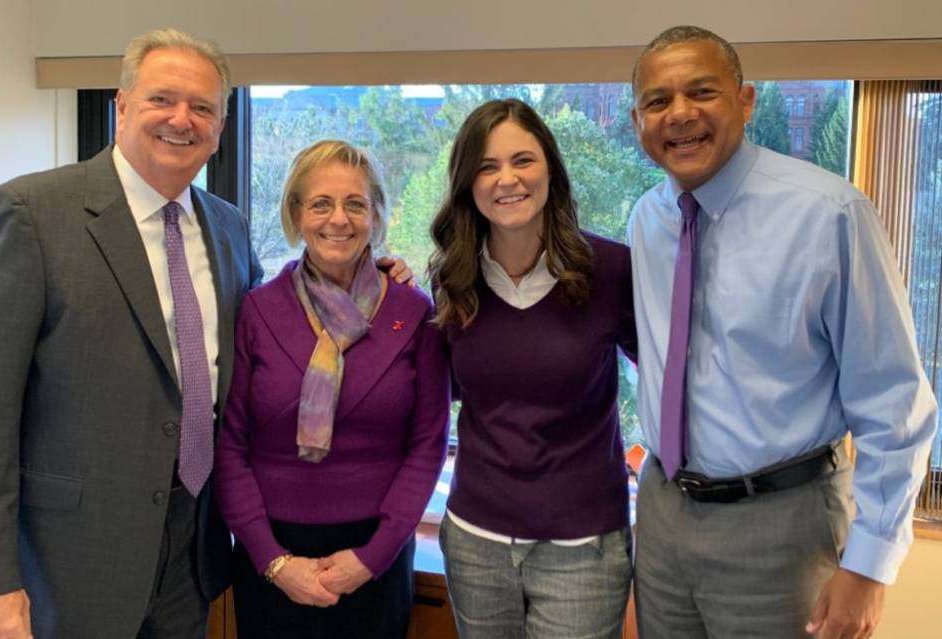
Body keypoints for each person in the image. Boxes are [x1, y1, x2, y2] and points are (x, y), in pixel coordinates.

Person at [0, 29, 411, 639]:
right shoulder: (31, 215)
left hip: (193, 560)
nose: (181, 120)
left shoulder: (228, 228)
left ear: (220, 126)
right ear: (122, 106)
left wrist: (363, 279)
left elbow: (283, 326)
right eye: (163, 99)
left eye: (203, 108)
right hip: (65, 570)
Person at [627, 25, 938, 639]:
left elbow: (895, 403)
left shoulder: (828, 214)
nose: (680, 115)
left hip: (781, 524)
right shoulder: (649, 218)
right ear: (638, 119)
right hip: (663, 514)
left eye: (702, 93)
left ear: (745, 101)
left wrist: (870, 568)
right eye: (659, 101)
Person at [213, 139, 450, 639]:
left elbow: (427, 445)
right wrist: (272, 560)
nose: (337, 219)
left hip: (376, 560)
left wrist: (371, 558)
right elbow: (230, 446)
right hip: (272, 558)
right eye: (320, 203)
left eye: (355, 204)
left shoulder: (413, 312)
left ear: (376, 215)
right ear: (296, 214)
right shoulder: (257, 310)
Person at [428, 99, 638, 639]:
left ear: (550, 168)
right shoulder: (452, 280)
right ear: (466, 184)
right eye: (486, 166)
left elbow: (675, 381)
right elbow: (440, 392)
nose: (507, 180)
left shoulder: (612, 270)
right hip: (476, 539)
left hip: (583, 548)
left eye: (523, 160)